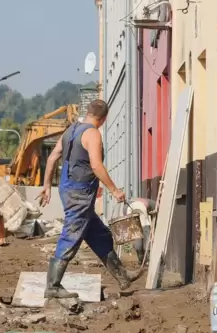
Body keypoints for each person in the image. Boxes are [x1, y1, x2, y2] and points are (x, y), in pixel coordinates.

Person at [37, 100, 143, 299]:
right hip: (80, 193)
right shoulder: (93, 134)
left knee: (98, 234)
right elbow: (96, 165)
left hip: (68, 189)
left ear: (88, 113)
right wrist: (114, 190)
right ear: (103, 119)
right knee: (71, 235)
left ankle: (122, 276)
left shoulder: (70, 131)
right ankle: (52, 286)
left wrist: (46, 186)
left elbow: (52, 158)